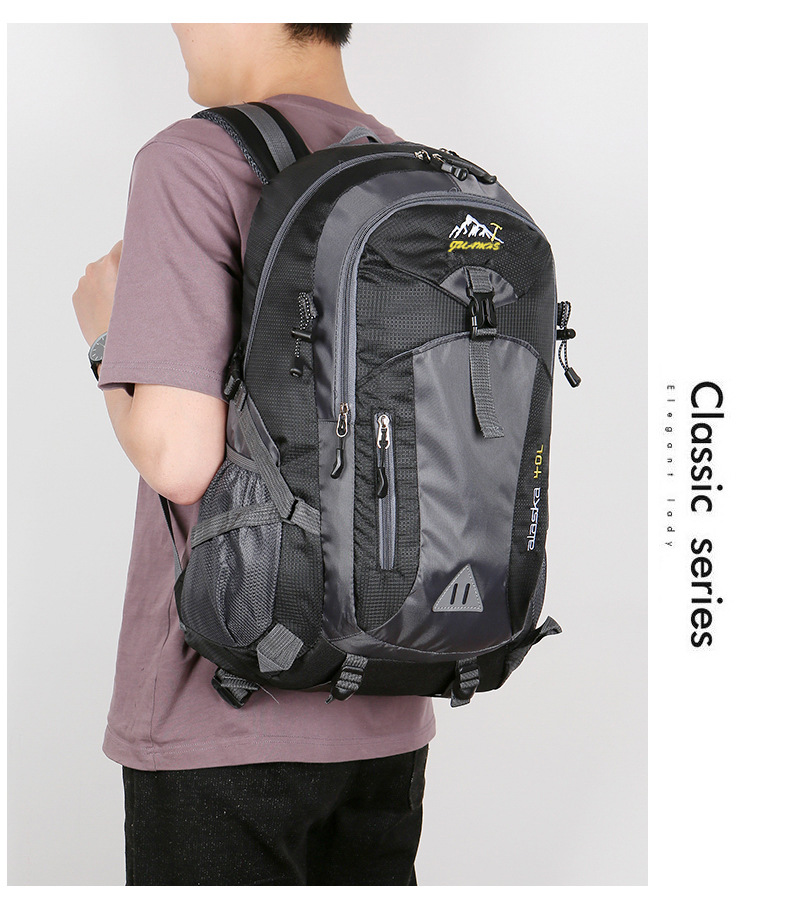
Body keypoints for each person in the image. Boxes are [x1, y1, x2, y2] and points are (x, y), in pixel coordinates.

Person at [71, 23, 435, 887]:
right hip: (390, 700)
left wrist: (104, 338)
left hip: (225, 706)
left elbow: (179, 459)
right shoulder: (417, 174)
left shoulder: (193, 161)